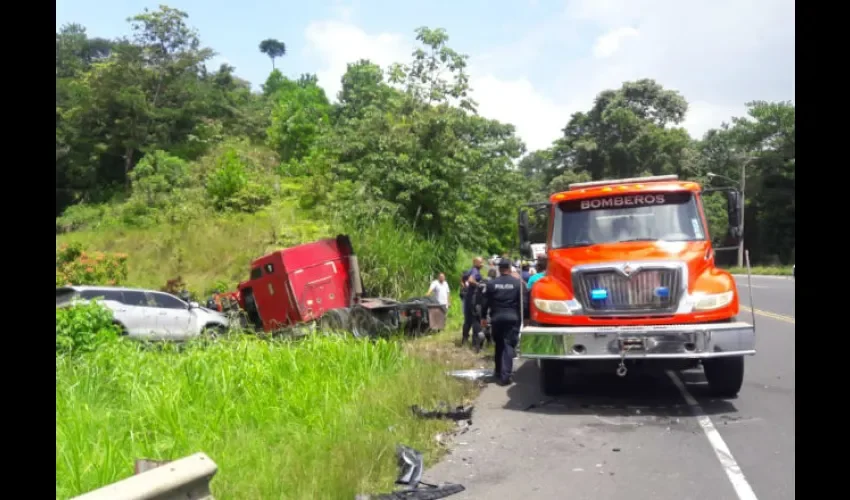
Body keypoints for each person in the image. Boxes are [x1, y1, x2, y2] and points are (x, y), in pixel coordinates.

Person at [480, 258, 529, 386]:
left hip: (496, 318)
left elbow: (484, 302)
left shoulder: (491, 284)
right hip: (512, 318)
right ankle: (505, 376)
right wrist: (526, 318)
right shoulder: (518, 284)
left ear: (499, 269)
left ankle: (498, 372)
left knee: (499, 345)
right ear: (510, 268)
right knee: (508, 345)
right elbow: (524, 303)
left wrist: (483, 317)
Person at [461, 257, 485, 346]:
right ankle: (475, 342)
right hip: (474, 300)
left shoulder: (470, 270)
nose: (482, 264)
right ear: (475, 263)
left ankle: (464, 339)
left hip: (468, 298)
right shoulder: (475, 271)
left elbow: (463, 278)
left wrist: (465, 287)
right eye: (481, 262)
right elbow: (471, 280)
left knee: (467, 320)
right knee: (475, 320)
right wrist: (479, 285)